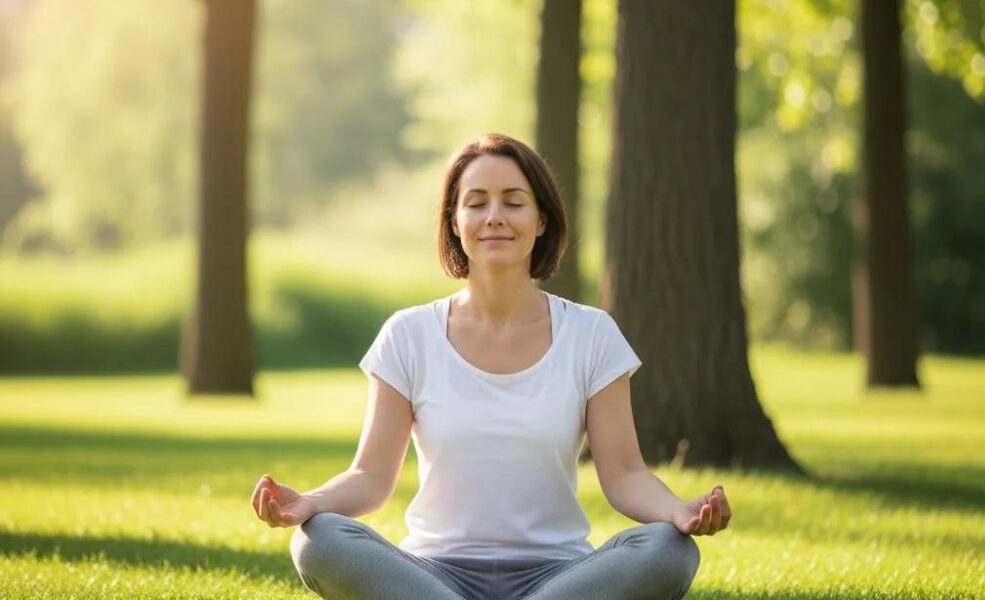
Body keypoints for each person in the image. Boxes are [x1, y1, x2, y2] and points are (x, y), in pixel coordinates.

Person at [251, 133, 732, 600]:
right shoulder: (408, 334)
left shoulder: (591, 334)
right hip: (433, 578)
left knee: (669, 549)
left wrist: (677, 511)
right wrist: (311, 502)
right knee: (319, 540)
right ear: (455, 221)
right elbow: (370, 477)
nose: (494, 216)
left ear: (541, 220)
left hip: (558, 578)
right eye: (476, 203)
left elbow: (625, 475)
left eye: (513, 202)